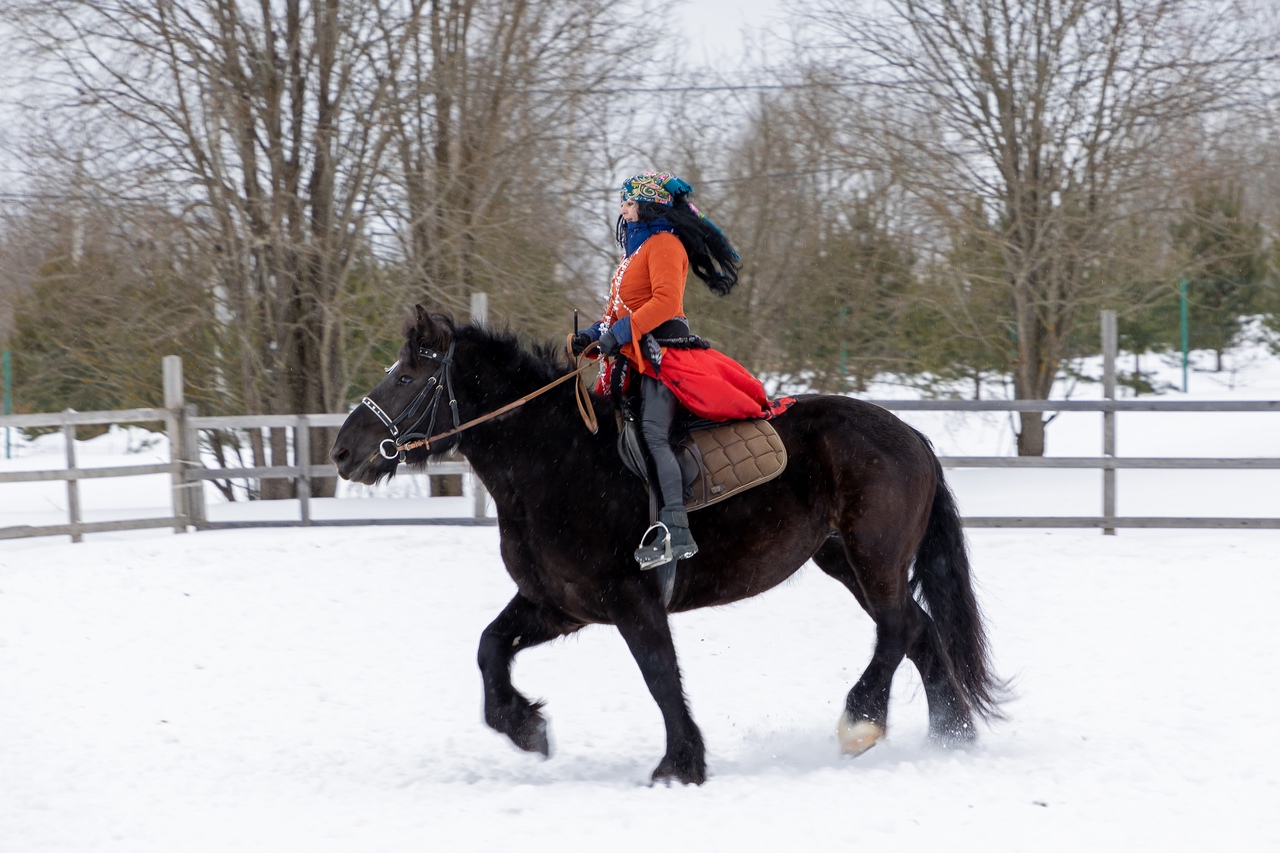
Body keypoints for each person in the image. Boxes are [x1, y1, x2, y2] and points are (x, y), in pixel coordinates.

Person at [574, 171, 792, 570]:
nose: (622, 208)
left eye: (628, 201)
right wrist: (591, 336)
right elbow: (614, 315)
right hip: (632, 355)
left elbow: (664, 304)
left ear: (647, 205)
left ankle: (676, 531)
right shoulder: (631, 257)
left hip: (665, 354)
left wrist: (619, 332)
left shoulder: (665, 245)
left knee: (654, 434)